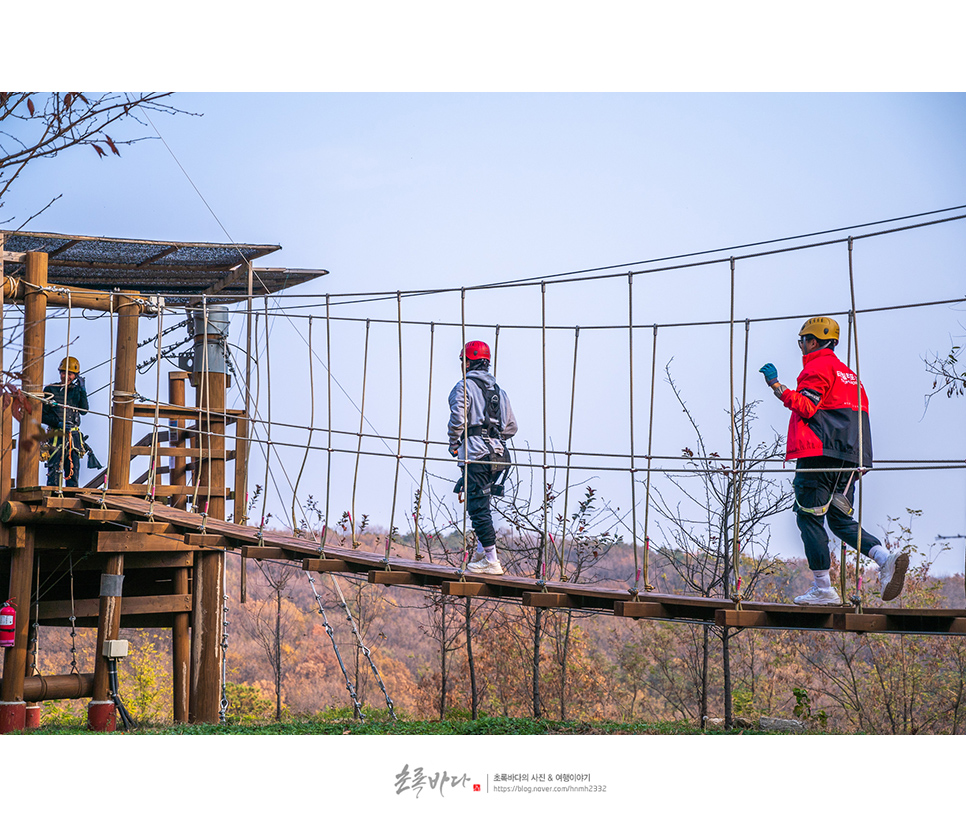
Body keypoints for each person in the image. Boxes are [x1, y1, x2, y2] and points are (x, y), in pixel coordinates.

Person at [760, 317, 907, 605]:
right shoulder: (850, 376)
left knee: (808, 515)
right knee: (839, 520)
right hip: (851, 459)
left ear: (813, 341)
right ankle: (884, 557)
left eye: (803, 340)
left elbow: (806, 406)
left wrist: (777, 386)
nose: (801, 346)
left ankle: (823, 589)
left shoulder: (817, 368)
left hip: (820, 455)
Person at [448, 340, 517, 575]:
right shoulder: (499, 391)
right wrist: (494, 437)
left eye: (463, 361)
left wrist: (454, 442)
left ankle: (491, 559)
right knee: (484, 503)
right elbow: (511, 427)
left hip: (476, 453)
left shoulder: (463, 387)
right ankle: (482, 550)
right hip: (498, 455)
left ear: (469, 362)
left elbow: (458, 419)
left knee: (477, 507)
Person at [41, 356, 90, 487]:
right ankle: (53, 494)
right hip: (56, 434)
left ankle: (71, 495)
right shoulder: (50, 390)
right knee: (54, 468)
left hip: (72, 436)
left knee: (72, 468)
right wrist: (58, 423)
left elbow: (84, 410)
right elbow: (42, 415)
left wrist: (83, 391)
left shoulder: (76, 391)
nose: (66, 376)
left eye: (70, 374)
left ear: (76, 376)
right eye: (63, 373)